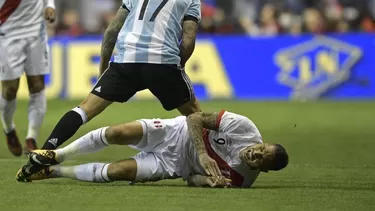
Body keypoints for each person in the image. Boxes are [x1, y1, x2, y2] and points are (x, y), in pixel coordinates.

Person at [19, 0, 222, 178]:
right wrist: (178, 67)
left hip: (127, 61)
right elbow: (188, 40)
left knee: (84, 109)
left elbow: (112, 30)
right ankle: (215, 163)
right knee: (196, 114)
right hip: (162, 62)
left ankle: (43, 153)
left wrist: (103, 70)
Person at [16, 110, 289, 188]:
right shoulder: (244, 127)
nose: (254, 153)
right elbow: (194, 118)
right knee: (116, 132)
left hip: (175, 166)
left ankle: (54, 171)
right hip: (175, 131)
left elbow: (191, 180)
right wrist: (203, 152)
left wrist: (205, 180)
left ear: (262, 170)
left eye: (259, 159)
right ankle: (57, 153)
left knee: (117, 172)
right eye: (260, 148)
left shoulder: (242, 179)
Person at [0, 0, 56, 156]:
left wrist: (50, 5)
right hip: (7, 34)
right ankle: (9, 129)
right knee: (9, 89)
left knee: (37, 85)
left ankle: (31, 137)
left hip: (36, 32)